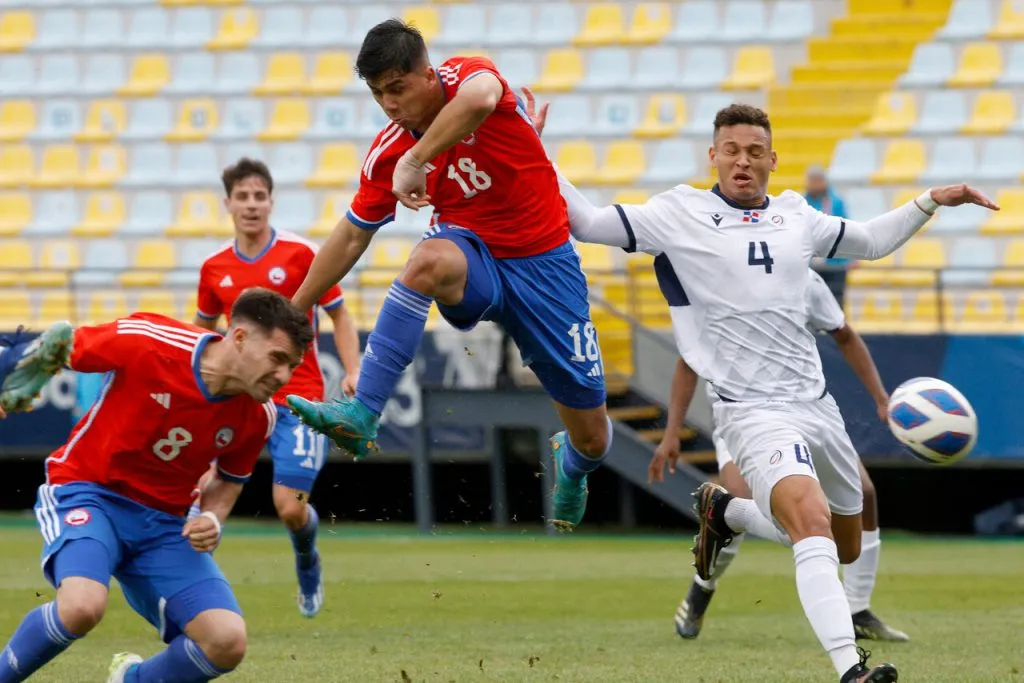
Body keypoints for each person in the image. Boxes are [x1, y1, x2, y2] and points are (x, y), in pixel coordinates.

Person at [555, 103, 997, 682]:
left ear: (772, 160)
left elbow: (870, 241)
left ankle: (728, 513)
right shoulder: (679, 212)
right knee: (810, 523)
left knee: (844, 545)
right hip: (750, 412)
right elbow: (587, 223)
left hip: (817, 407)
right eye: (731, 151)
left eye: (754, 152)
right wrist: (534, 152)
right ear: (714, 156)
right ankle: (851, 669)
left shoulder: (797, 216)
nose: (743, 161)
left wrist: (931, 200)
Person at [285, 20, 611, 531]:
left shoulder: (467, 77)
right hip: (473, 256)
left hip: (546, 266)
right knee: (426, 262)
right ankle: (363, 411)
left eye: (397, 88)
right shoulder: (387, 152)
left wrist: (417, 159)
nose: (389, 104)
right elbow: (350, 236)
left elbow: (482, 97)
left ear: (428, 74)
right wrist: (295, 309)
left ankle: (572, 465)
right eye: (378, 93)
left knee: (593, 437)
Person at [0, 288, 313, 683]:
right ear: (239, 337)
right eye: (277, 359)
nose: (284, 377)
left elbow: (229, 480)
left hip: (164, 525)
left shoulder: (260, 415)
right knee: (82, 606)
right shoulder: (151, 341)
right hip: (88, 491)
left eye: (292, 367)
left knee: (226, 642)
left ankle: (129, 679)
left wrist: (212, 519)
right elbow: (57, 348)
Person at [649, 269, 909, 643]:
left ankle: (858, 609)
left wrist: (881, 398)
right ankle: (702, 587)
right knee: (747, 503)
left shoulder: (804, 279)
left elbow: (845, 335)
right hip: (746, 417)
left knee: (863, 494)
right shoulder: (719, 279)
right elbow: (689, 360)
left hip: (806, 411)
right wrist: (672, 431)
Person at [190, 158, 362, 618]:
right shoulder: (214, 268)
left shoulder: (300, 255)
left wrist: (354, 369)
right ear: (228, 204)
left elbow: (339, 314)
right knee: (201, 492)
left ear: (271, 202)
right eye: (242, 197)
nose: (251, 205)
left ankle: (307, 558)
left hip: (297, 399)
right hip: (237, 399)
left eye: (259, 196)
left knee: (289, 508)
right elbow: (201, 334)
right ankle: (191, 597)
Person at [805, 165, 851, 306]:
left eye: (818, 180)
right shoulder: (802, 202)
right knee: (813, 304)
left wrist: (850, 258)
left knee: (835, 302)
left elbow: (845, 229)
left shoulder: (836, 201)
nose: (815, 184)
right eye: (812, 180)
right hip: (811, 265)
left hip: (835, 263)